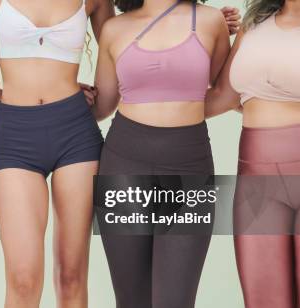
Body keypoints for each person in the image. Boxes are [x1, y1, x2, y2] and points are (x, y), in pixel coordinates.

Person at [91, 0, 231, 307]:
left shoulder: (209, 21)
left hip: (190, 165)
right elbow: (103, 105)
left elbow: (225, 92)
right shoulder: (114, 28)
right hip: (124, 164)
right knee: (131, 298)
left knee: (176, 300)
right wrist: (69, 94)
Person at [205, 0, 300, 306]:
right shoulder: (254, 24)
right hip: (257, 182)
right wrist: (138, 97)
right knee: (262, 299)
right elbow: (220, 97)